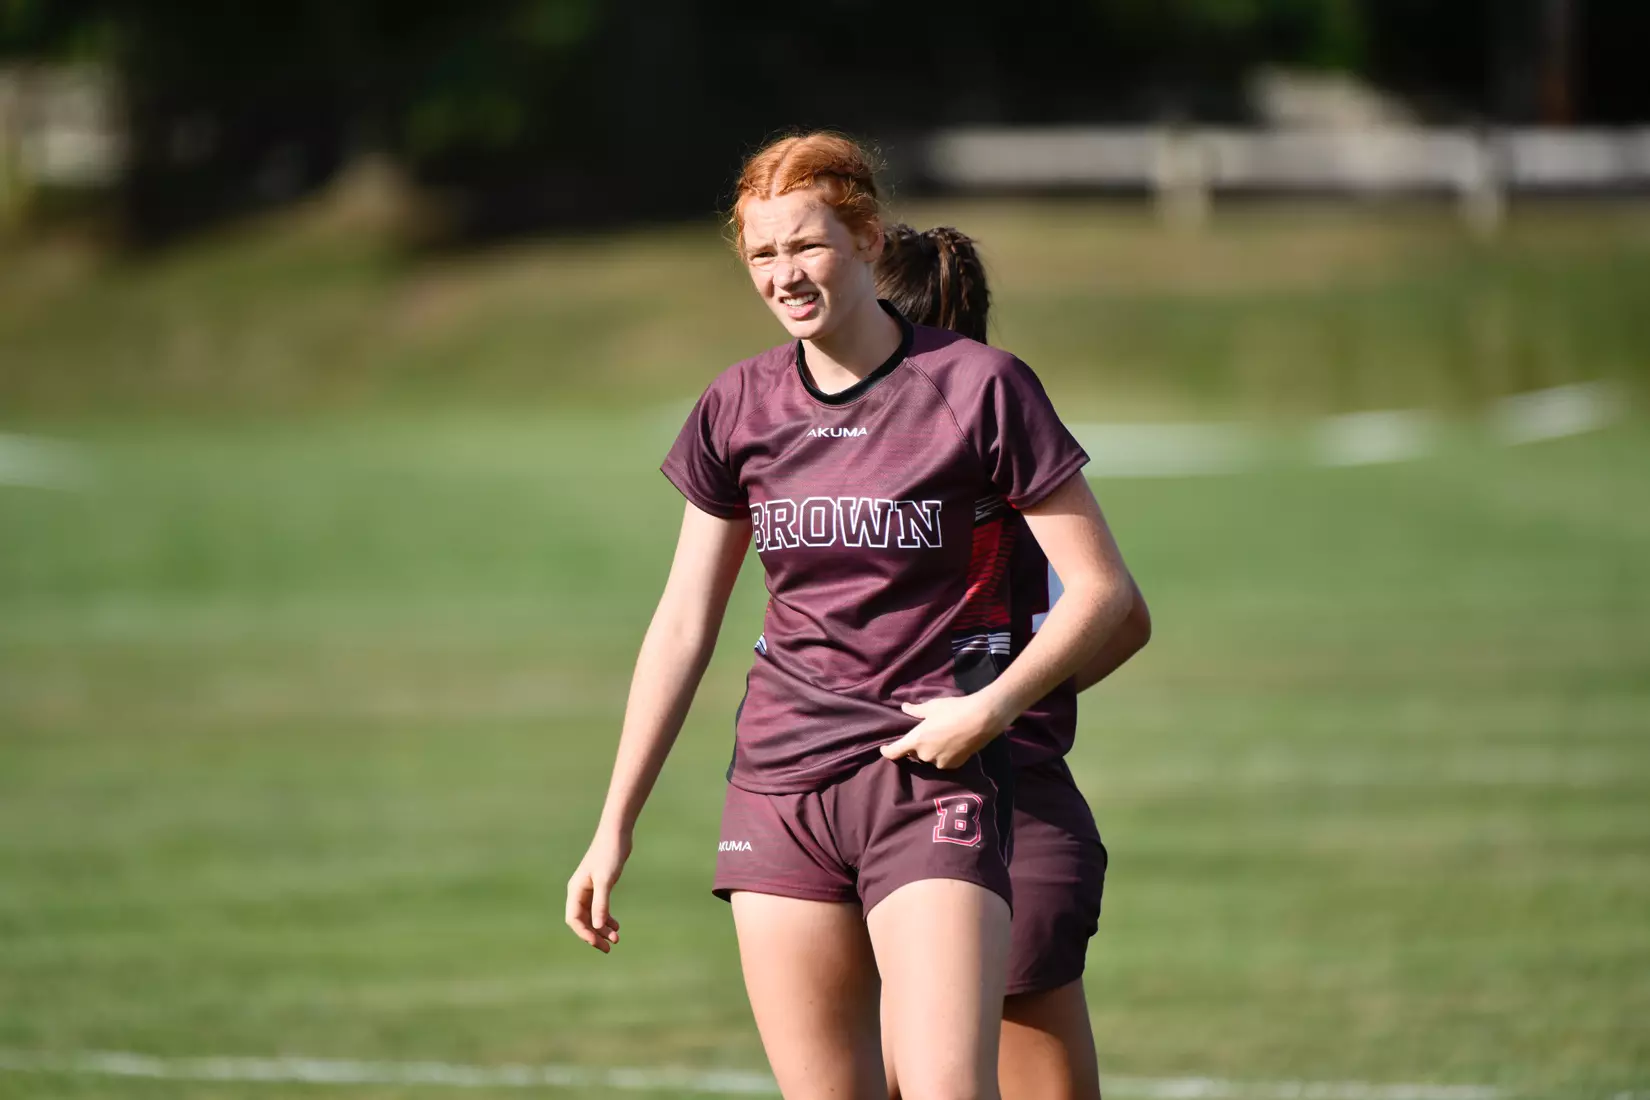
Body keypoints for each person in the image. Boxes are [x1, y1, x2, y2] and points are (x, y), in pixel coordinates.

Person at [565, 132, 1140, 1100]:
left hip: (933, 783)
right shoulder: (735, 406)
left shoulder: (979, 387)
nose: (783, 274)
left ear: (868, 238)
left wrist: (989, 709)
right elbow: (680, 625)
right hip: (781, 788)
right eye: (761, 255)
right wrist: (612, 823)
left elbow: (1109, 596)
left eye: (805, 246)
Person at [875, 224, 1153, 1100]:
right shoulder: (942, 439)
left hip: (1004, 816)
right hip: (893, 816)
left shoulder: (966, 449)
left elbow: (1120, 612)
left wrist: (997, 705)